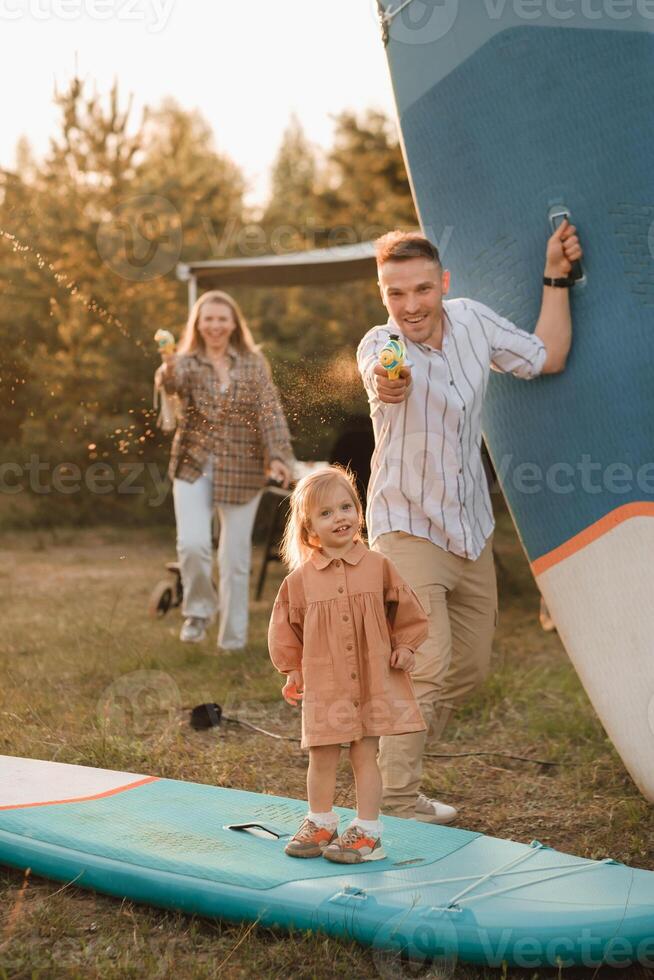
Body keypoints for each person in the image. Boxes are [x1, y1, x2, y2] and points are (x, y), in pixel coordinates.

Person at [357, 222, 583, 823]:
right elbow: (387, 381)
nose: (410, 306)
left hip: (471, 529)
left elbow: (547, 355)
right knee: (425, 666)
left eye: (421, 290)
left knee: (470, 669)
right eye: (395, 293)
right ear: (382, 295)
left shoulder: (474, 321)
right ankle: (397, 803)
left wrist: (555, 275)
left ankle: (383, 742)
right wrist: (391, 378)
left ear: (444, 283)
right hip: (406, 527)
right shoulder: (380, 345)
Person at [268, 466, 428, 863]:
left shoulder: (378, 565)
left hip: (373, 679)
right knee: (321, 753)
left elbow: (407, 610)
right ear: (309, 531)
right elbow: (286, 627)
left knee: (364, 754)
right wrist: (293, 669)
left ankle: (368, 831)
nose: (339, 517)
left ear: (358, 512)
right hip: (327, 682)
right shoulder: (300, 581)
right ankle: (321, 821)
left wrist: (406, 645)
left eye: (346, 507)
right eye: (326, 513)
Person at [158, 289, 294, 650]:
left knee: (234, 560)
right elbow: (172, 386)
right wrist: (166, 370)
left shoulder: (252, 363)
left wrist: (279, 455)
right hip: (192, 467)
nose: (215, 326)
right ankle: (199, 611)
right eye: (209, 319)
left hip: (243, 470)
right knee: (192, 545)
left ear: (234, 323)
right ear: (198, 324)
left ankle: (232, 642)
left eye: (222, 318)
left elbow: (270, 412)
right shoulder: (185, 362)